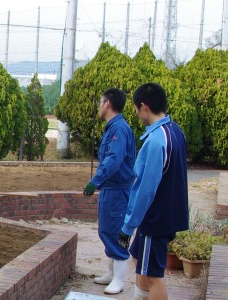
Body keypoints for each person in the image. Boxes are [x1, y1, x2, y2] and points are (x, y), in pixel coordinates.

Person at [121, 83, 189, 300]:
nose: (137, 114)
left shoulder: (156, 140)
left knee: (153, 275)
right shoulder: (174, 131)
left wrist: (128, 226)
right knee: (138, 257)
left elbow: (145, 190)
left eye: (136, 109)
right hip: (167, 214)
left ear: (144, 107)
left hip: (155, 219)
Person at [84, 88, 136, 294]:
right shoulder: (113, 127)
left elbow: (114, 159)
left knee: (115, 230)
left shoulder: (119, 129)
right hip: (111, 188)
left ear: (107, 104)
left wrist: (95, 181)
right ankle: (111, 273)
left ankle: (119, 279)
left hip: (118, 188)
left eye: (100, 101)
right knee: (106, 229)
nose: (98, 105)